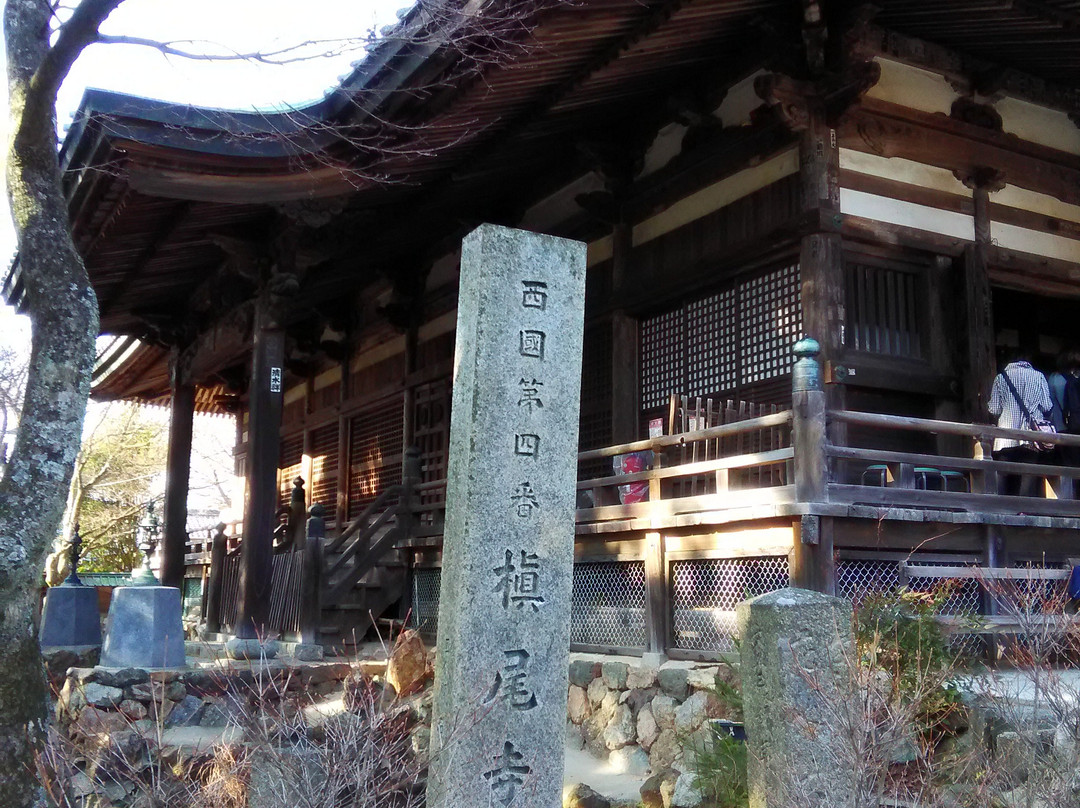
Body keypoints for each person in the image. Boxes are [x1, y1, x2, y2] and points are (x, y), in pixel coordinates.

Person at [988, 351, 1053, 497]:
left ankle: (1001, 508)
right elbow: (1047, 406)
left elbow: (994, 409)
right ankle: (1024, 510)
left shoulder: (1001, 378)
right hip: (1032, 435)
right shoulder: (1039, 376)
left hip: (1007, 433)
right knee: (1028, 473)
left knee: (1002, 472)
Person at [1048, 348, 1080, 468]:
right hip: (1078, 424)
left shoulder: (1054, 378)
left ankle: (1070, 487)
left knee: (1067, 462)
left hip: (1062, 425)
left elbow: (1049, 403)